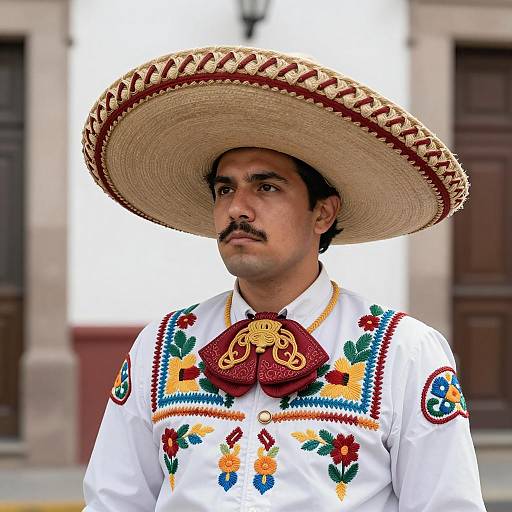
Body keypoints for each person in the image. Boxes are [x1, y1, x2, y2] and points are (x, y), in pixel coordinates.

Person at [81, 46, 486, 511]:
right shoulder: (160, 347)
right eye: (225, 189)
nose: (237, 208)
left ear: (322, 212)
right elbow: (114, 502)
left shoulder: (404, 350)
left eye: (266, 186)